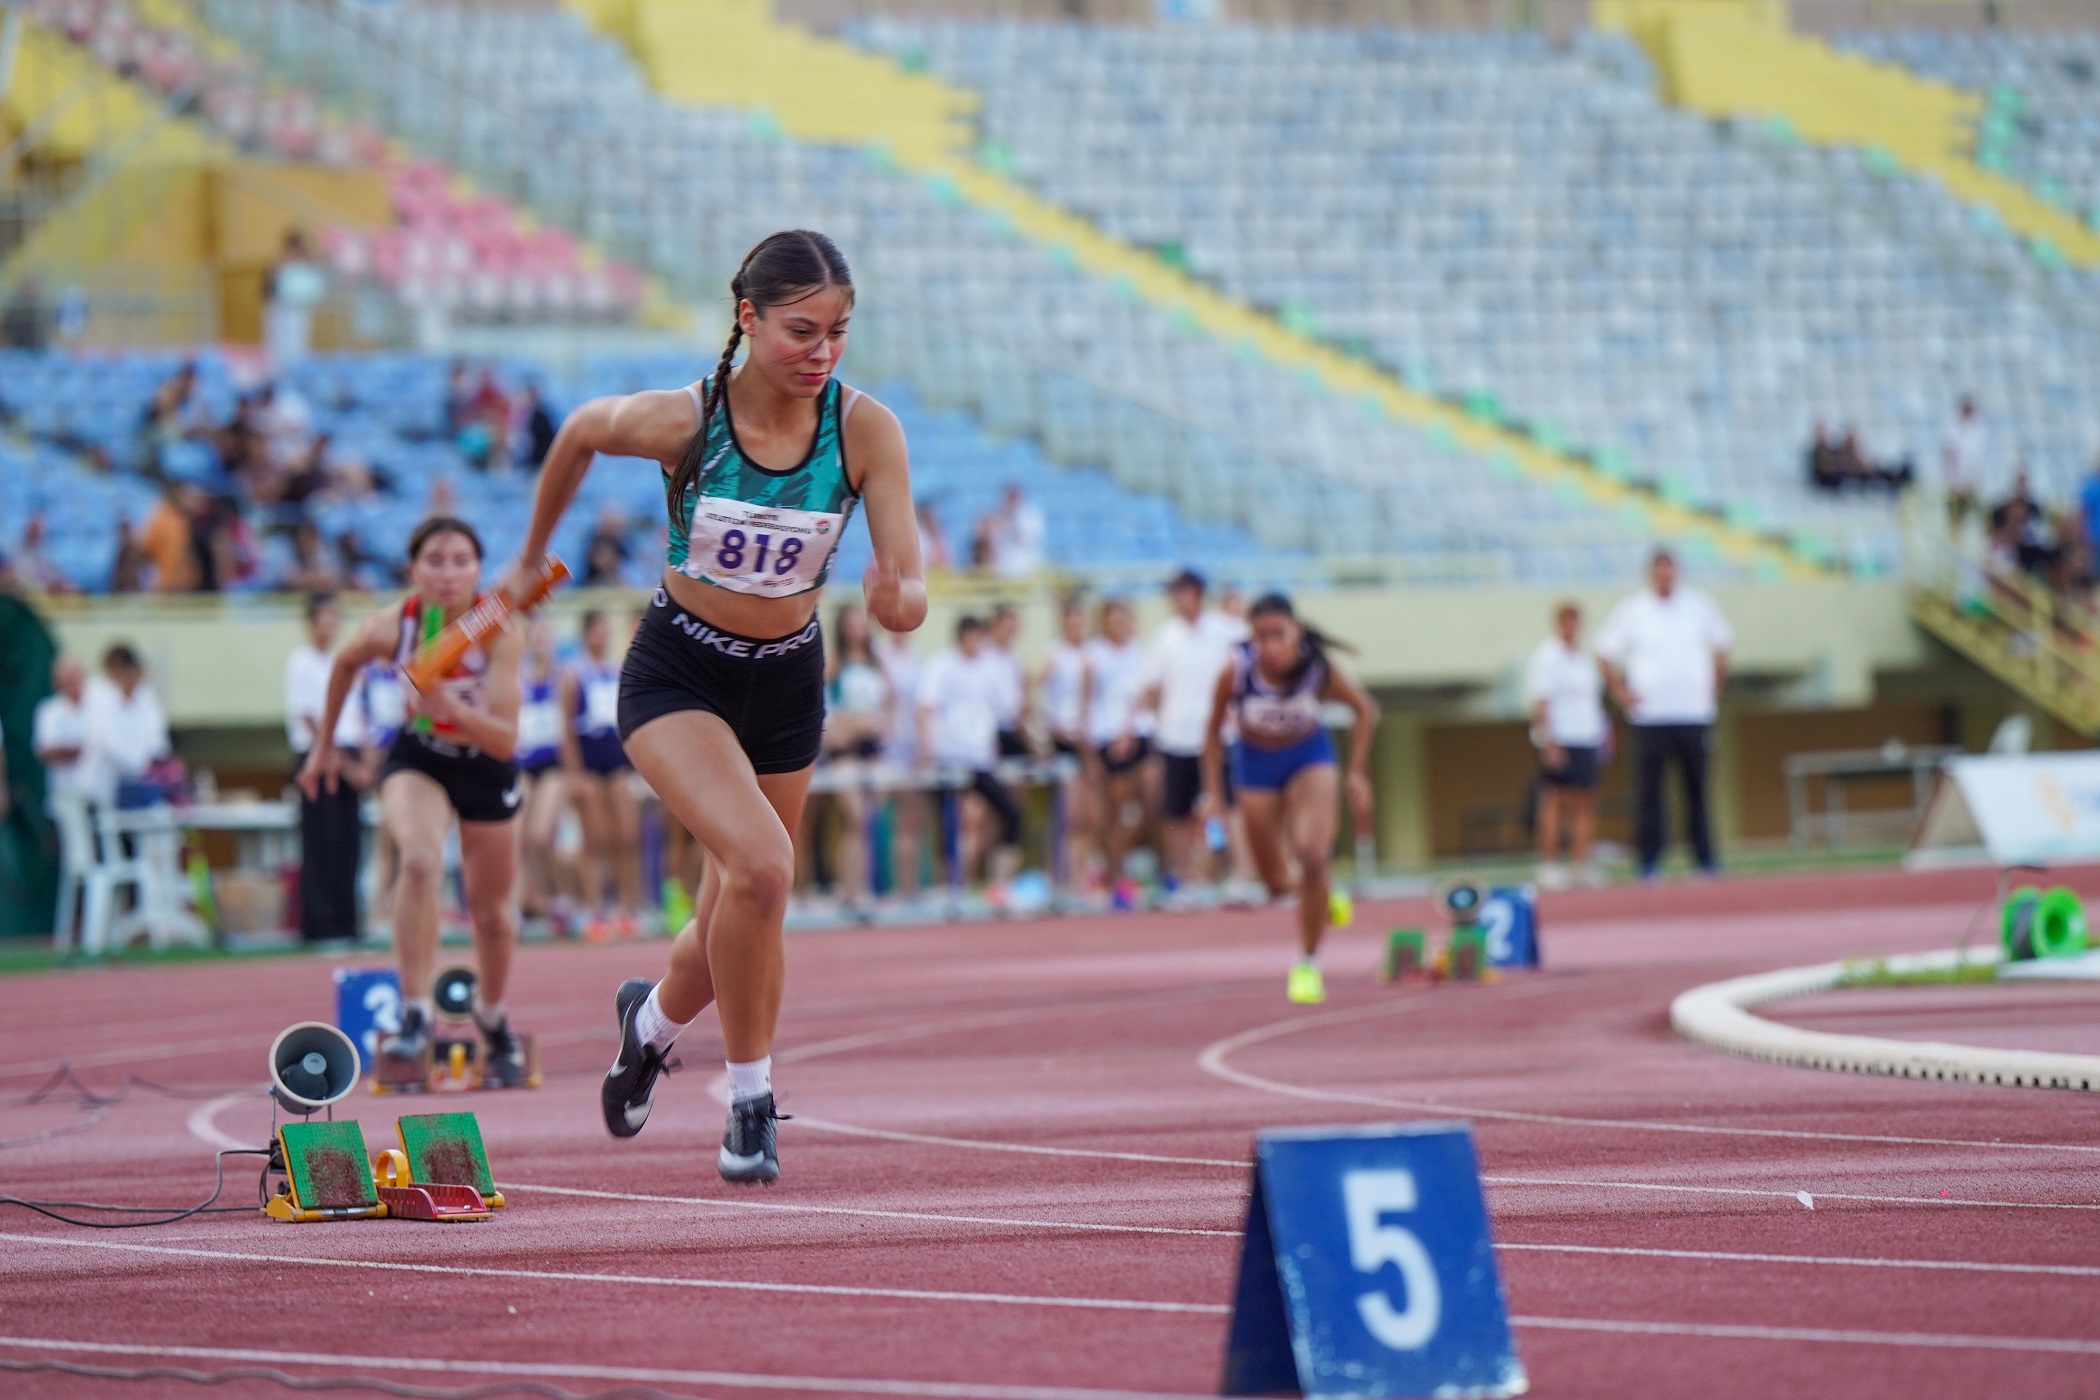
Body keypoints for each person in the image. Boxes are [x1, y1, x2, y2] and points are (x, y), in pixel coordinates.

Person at [511, 230, 924, 1184]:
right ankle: (749, 1101)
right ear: (748, 319)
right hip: (679, 676)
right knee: (765, 871)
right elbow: (577, 432)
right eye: (801, 331)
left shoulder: (865, 431)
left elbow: (904, 574)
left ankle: (647, 1028)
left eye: (839, 333)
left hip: (786, 680)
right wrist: (533, 554)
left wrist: (902, 597)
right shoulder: (685, 421)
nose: (822, 352)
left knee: (739, 905)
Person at [297, 516, 533, 1089]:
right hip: (419, 756)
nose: (448, 573)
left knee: (492, 913)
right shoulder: (396, 625)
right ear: (412, 570)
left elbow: (503, 738)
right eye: (434, 560)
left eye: (461, 561)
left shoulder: (501, 629)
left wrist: (446, 702)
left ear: (479, 570)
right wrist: (323, 746)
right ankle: (414, 1012)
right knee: (421, 861)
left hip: (484, 761)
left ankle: (494, 1018)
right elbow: (345, 663)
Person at [1200, 594, 1377, 1005]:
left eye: (1278, 635)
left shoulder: (1318, 669)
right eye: (1260, 637)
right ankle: (1324, 894)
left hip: (1308, 755)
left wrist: (1357, 771)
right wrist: (1212, 793)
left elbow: (1364, 710)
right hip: (1256, 764)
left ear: (1295, 632)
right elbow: (1209, 733)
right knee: (1278, 884)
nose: (1270, 646)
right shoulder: (1236, 672)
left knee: (1313, 853)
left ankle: (1307, 964)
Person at [1595, 547, 1732, 881]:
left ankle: (1705, 860)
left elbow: (1723, 645)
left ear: (1678, 572)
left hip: (1692, 714)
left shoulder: (1699, 606)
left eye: (1670, 570)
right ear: (1649, 574)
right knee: (1649, 794)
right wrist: (1621, 692)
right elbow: (1603, 652)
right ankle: (1649, 862)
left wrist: (1713, 687)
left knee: (1697, 791)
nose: (1665, 576)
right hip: (1650, 717)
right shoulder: (1633, 610)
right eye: (1659, 570)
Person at [1145, 567, 1248, 899]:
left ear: (1197, 593)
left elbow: (1248, 666)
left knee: (1220, 808)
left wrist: (1236, 712)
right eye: (1173, 592)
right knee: (1176, 812)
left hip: (1215, 738)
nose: (1176, 598)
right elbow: (1152, 685)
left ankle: (1226, 868)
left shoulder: (1225, 630)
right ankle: (1185, 875)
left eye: (1181, 591)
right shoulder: (1166, 635)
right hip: (1176, 736)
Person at [918, 615, 1024, 897]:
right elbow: (926, 706)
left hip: (980, 758)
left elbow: (1010, 710)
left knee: (1007, 815)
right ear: (961, 637)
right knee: (953, 824)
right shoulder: (943, 665)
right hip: (951, 757)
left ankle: (992, 882)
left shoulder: (992, 667)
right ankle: (951, 885)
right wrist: (929, 748)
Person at [285, 594, 367, 943]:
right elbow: (307, 714)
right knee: (320, 840)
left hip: (346, 751)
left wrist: (360, 761)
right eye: (323, 618)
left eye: (335, 618)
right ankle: (318, 926)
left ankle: (347, 924)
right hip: (318, 753)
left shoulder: (345, 661)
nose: (329, 625)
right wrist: (330, 752)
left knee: (349, 843)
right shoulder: (301, 662)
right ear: (311, 623)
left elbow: (359, 716)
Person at [562, 610, 641, 938]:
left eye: (606, 631)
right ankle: (594, 909)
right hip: (589, 761)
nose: (603, 636)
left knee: (626, 835)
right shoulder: (573, 675)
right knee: (595, 838)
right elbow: (565, 728)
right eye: (597, 630)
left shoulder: (616, 671)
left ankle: (626, 907)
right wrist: (574, 774)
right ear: (585, 634)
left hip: (616, 760)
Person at [1525, 601, 1606, 891]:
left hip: (1586, 738)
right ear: (1558, 623)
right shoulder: (1547, 656)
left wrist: (1602, 733)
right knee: (1555, 802)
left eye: (1576, 622)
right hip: (1562, 738)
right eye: (1567, 622)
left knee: (1584, 802)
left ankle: (1581, 864)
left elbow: (1593, 701)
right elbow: (1540, 700)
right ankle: (1549, 865)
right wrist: (1549, 740)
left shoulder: (1582, 660)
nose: (1572, 628)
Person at [1081, 597, 1153, 903]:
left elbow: (1148, 695)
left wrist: (1133, 726)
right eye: (1114, 619)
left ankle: (1123, 868)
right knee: (1114, 812)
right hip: (1108, 740)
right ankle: (1113, 875)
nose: (1121, 625)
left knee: (1149, 803)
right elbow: (1086, 704)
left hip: (1139, 737)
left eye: (1125, 619)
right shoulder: (1094, 656)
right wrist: (1089, 753)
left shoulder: (1141, 654)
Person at [822, 601, 891, 918]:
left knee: (863, 825)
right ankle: (852, 888)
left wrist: (882, 724)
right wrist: (835, 729)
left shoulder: (877, 663)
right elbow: (817, 702)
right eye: (852, 623)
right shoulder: (836, 662)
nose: (858, 629)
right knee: (856, 819)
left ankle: (853, 888)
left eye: (862, 623)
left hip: (871, 749)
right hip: (845, 750)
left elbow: (890, 703)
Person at [514, 617, 571, 934]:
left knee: (540, 835)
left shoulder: (562, 679)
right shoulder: (517, 678)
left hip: (553, 764)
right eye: (533, 638)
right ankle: (529, 900)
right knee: (517, 836)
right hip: (523, 762)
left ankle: (561, 897)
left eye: (544, 637)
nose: (539, 643)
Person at [1035, 595, 1095, 892]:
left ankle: (1078, 876)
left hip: (1086, 741)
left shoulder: (1089, 654)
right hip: (1063, 740)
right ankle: (1057, 877)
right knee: (1067, 815)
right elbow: (1032, 686)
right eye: (1070, 621)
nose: (1076, 626)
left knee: (1085, 816)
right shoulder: (1055, 654)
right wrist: (1045, 726)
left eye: (1079, 621)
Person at [84, 644, 171, 809]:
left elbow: (157, 741)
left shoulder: (145, 695)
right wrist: (140, 766)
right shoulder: (97, 695)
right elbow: (108, 742)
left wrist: (148, 766)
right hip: (106, 783)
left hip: (142, 782)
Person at [33, 655, 91, 816]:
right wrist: (79, 750)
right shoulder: (49, 711)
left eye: (75, 675)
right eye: (67, 677)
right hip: (66, 795)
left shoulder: (97, 706)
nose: (72, 681)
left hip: (99, 794)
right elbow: (45, 750)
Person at [265, 229, 326, 371]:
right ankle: (277, 374)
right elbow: (268, 291)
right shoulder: (278, 265)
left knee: (298, 345)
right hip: (280, 309)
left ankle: (294, 371)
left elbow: (315, 289)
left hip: (298, 310)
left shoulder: (308, 266)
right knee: (278, 346)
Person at [987, 603, 1028, 759]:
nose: (1010, 633)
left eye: (1013, 629)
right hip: (992, 729)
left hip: (1013, 728)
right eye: (1006, 628)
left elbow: (1020, 690)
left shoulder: (1015, 658)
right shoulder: (984, 656)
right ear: (995, 626)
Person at [980, 483, 1045, 579]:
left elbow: (1024, 539)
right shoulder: (999, 515)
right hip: (1004, 572)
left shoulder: (1030, 516)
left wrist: (1007, 524)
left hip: (1025, 570)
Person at [1939, 396, 1986, 526]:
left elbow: (1976, 458)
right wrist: (1955, 479)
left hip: (1970, 480)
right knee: (1955, 513)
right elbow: (1949, 455)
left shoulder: (1977, 428)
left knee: (1970, 517)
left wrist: (1973, 480)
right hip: (1955, 480)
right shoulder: (1952, 427)